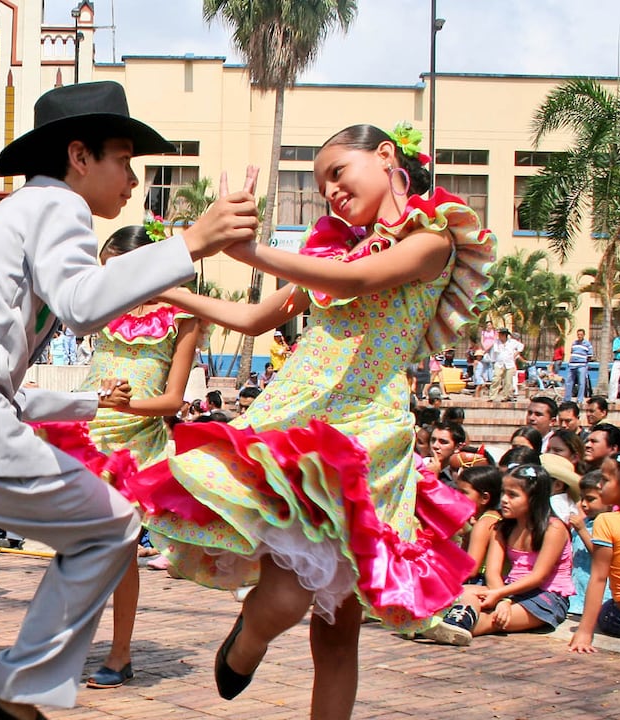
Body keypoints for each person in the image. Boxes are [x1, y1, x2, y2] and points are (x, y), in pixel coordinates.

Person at [0, 80, 259, 720]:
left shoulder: (16, 217)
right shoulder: (56, 206)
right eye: (123, 159)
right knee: (113, 526)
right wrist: (191, 244)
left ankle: (0, 689)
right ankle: (17, 685)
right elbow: (82, 305)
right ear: (79, 156)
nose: (132, 178)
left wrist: (90, 405)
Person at [124, 122, 489, 714]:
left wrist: (257, 253)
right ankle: (251, 636)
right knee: (287, 597)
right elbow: (253, 319)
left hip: (368, 431)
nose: (330, 191)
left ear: (386, 156)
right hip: (298, 422)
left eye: (337, 173)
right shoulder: (328, 252)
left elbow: (366, 278)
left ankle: (257, 641)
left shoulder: (435, 239)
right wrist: (171, 294)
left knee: (339, 632)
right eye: (323, 185)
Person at [36, 224, 201, 690]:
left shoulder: (181, 315)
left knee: (121, 550)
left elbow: (172, 401)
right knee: (76, 545)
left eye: (115, 270)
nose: (107, 279)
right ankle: (60, 645)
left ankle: (120, 651)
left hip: (135, 445)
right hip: (86, 432)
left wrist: (128, 405)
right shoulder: (102, 309)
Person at [424, 464, 573, 646]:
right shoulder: (503, 527)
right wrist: (502, 598)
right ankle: (450, 622)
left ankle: (449, 628)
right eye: (504, 493)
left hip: (546, 595)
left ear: (534, 498)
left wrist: (504, 598)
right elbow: (493, 572)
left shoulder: (554, 529)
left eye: (513, 495)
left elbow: (538, 576)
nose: (504, 500)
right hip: (509, 589)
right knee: (464, 591)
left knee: (497, 620)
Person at [569, 450, 620, 651]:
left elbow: (599, 578)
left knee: (608, 609)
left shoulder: (607, 521)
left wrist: (584, 632)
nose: (600, 486)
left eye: (605, 480)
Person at [567, 469, 610, 617]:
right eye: (582, 498)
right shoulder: (585, 522)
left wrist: (582, 530)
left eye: (590, 499)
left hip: (600, 595)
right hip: (576, 593)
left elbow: (602, 556)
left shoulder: (609, 524)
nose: (583, 504)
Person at [489, 328, 525, 402]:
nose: (499, 336)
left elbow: (521, 346)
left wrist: (515, 354)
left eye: (501, 334)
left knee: (508, 381)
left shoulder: (512, 342)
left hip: (509, 363)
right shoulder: (496, 342)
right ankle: (492, 396)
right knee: (496, 379)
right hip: (499, 363)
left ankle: (506, 396)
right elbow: (494, 352)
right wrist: (493, 361)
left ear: (505, 335)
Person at [566, 328, 593, 404]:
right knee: (569, 382)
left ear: (584, 335)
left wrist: (585, 363)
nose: (579, 336)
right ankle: (567, 399)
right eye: (578, 334)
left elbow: (590, 356)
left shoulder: (587, 344)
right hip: (572, 365)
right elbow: (572, 352)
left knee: (581, 382)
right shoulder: (574, 343)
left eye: (581, 334)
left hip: (582, 365)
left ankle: (580, 399)